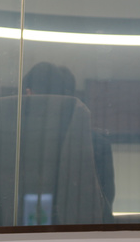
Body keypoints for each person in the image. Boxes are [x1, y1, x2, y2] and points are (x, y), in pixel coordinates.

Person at [22, 63, 115, 207]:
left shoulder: (16, 142)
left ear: (29, 94)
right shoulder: (96, 144)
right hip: (81, 220)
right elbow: (105, 203)